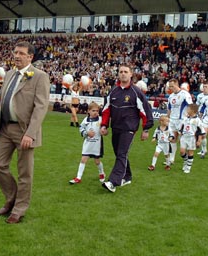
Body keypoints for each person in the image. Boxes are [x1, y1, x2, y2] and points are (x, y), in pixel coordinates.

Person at [0, 41, 50, 224]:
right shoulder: (9, 74)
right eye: (15, 52)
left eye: (21, 53)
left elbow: (41, 107)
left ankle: (19, 209)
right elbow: (0, 102)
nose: (17, 56)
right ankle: (12, 198)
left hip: (25, 131)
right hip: (5, 128)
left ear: (30, 57)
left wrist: (30, 133)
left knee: (25, 173)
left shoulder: (40, 76)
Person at [100, 64, 154, 193]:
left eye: (125, 71)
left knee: (122, 153)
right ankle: (127, 176)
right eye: (121, 71)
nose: (123, 73)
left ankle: (113, 182)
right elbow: (106, 110)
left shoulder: (136, 92)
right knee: (119, 154)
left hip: (129, 128)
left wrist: (146, 129)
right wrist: (104, 125)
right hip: (116, 128)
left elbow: (145, 112)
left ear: (131, 75)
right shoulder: (113, 91)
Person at [69, 102, 106, 184]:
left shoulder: (101, 119)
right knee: (83, 160)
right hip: (88, 143)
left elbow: (106, 131)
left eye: (97, 111)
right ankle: (78, 178)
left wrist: (104, 131)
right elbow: (81, 129)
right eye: (93, 110)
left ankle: (102, 173)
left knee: (97, 161)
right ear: (88, 111)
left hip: (97, 144)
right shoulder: (85, 120)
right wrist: (87, 133)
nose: (95, 112)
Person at [166, 79, 193, 164]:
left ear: (177, 84)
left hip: (182, 121)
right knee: (172, 139)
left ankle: (186, 157)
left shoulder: (184, 94)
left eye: (172, 86)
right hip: (173, 120)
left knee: (183, 141)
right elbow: (169, 108)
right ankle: (171, 159)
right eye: (169, 86)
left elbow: (190, 106)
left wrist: (190, 118)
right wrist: (168, 118)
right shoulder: (171, 96)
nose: (171, 88)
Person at [179, 103, 205, 173]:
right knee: (182, 152)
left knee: (190, 152)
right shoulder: (185, 118)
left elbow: (200, 131)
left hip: (192, 138)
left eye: (188, 109)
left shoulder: (197, 120)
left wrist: (199, 140)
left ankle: (188, 167)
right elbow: (181, 128)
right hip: (184, 137)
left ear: (193, 111)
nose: (187, 110)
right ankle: (185, 160)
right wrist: (180, 136)